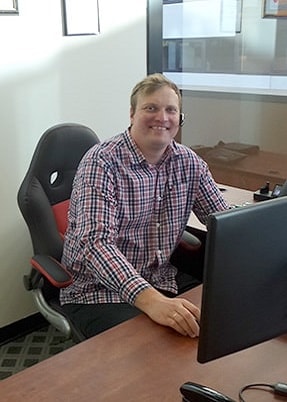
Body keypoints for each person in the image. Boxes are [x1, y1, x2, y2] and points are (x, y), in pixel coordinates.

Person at [60, 73, 229, 339]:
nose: (162, 117)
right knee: (156, 352)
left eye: (171, 110)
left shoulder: (188, 162)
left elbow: (224, 222)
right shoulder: (102, 162)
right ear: (132, 113)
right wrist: (152, 301)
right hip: (98, 293)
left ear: (179, 118)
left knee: (217, 325)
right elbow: (96, 245)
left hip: (161, 280)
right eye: (151, 108)